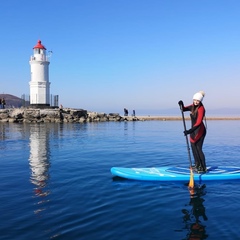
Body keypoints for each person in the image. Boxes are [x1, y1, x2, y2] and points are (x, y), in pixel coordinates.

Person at [178, 91, 207, 173]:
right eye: (194, 100)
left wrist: (189, 131)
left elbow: (198, 123)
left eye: (197, 100)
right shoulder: (192, 106)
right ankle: (197, 164)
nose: (196, 102)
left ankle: (203, 167)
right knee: (193, 148)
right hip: (193, 131)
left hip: (199, 131)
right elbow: (183, 109)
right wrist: (181, 104)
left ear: (200, 101)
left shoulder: (201, 109)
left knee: (198, 149)